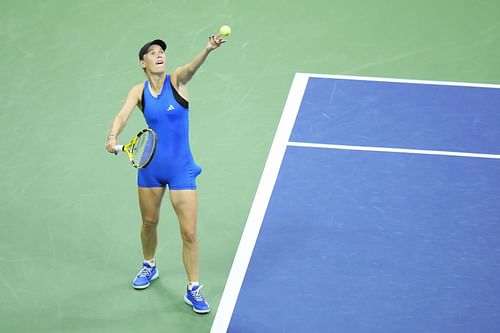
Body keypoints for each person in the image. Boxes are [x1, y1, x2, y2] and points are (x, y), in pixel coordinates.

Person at [105, 34, 225, 314]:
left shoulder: (177, 81)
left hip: (181, 168)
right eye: (152, 53)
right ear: (142, 62)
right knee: (149, 222)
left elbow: (191, 69)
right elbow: (122, 115)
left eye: (162, 52)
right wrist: (113, 135)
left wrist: (207, 49)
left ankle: (193, 287)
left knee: (190, 232)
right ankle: (150, 265)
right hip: (151, 167)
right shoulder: (139, 91)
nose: (159, 55)